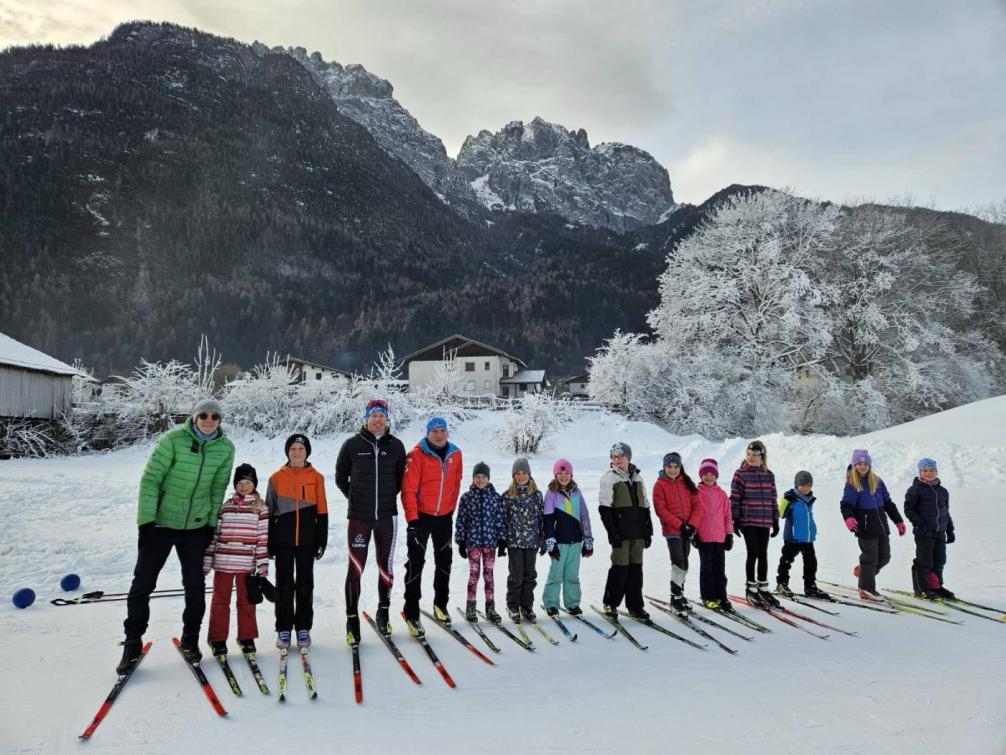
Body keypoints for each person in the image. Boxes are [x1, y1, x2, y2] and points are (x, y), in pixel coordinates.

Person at [118, 398, 235, 673]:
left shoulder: (225, 448)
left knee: (194, 586)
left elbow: (219, 487)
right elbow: (151, 480)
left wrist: (210, 524)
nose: (209, 421)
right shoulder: (173, 440)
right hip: (160, 525)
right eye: (203, 415)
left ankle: (190, 640)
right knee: (143, 583)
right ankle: (132, 643)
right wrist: (146, 521)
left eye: (215, 417)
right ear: (194, 417)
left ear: (220, 420)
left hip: (195, 528)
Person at [335, 399, 407, 645]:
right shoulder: (352, 445)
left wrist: (384, 497)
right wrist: (355, 497)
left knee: (385, 568)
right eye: (373, 415)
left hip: (387, 517)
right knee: (355, 568)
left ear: (387, 419)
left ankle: (383, 612)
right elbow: (339, 476)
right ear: (366, 419)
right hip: (359, 518)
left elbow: (399, 480)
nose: (377, 420)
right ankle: (352, 619)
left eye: (381, 415)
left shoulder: (396, 446)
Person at [401, 416, 463, 636]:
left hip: (444, 517)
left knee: (444, 562)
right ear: (427, 433)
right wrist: (412, 520)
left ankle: (440, 604)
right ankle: (411, 611)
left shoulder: (455, 454)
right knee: (416, 563)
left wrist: (450, 510)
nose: (438, 434)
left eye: (442, 431)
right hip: (421, 518)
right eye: (434, 431)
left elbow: (456, 484)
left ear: (447, 433)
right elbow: (408, 490)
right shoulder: (416, 455)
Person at [267, 433, 328, 650]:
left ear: (307, 452)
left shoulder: (316, 477)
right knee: (284, 586)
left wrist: (322, 539)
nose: (296, 452)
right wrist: (269, 542)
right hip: (282, 542)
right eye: (292, 449)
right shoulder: (276, 478)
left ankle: (303, 627)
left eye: (301, 449)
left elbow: (322, 511)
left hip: (307, 541)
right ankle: (283, 629)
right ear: (287, 452)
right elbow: (269, 513)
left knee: (304, 586)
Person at [203, 463, 269, 656]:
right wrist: (207, 562)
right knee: (220, 601)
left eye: (247, 482)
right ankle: (217, 639)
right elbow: (214, 536)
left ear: (254, 484)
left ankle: (246, 637)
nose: (243, 486)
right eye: (240, 482)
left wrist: (262, 566)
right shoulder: (226, 507)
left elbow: (262, 539)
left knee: (246, 601)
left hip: (246, 564)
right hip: (223, 563)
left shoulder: (261, 509)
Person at [840, 449, 906, 603]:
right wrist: (848, 518)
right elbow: (846, 504)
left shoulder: (877, 481)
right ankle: (866, 588)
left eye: (865, 464)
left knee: (885, 557)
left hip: (881, 526)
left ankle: (864, 572)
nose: (862, 467)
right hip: (864, 527)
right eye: (859, 464)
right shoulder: (852, 483)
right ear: (854, 465)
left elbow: (888, 503)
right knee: (870, 558)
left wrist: (898, 521)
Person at [598, 442, 653, 620]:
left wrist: (648, 530)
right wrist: (612, 533)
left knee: (636, 570)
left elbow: (645, 505)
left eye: (620, 457)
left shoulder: (638, 478)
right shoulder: (609, 478)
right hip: (621, 534)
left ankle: (635, 606)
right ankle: (610, 603)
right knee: (620, 569)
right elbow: (604, 509)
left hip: (637, 534)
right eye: (613, 457)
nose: (617, 460)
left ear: (628, 457)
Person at [454, 461, 506, 623]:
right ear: (473, 478)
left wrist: (502, 541)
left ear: (488, 479)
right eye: (477, 476)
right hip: (473, 543)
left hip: (490, 544)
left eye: (483, 477)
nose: (480, 480)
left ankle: (490, 607)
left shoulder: (495, 498)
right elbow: (461, 521)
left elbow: (500, 520)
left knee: (489, 575)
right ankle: (471, 606)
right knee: (474, 575)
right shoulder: (467, 498)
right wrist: (461, 541)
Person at [730, 440, 780, 608]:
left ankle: (763, 588)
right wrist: (735, 520)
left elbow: (773, 498)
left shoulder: (769, 475)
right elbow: (735, 498)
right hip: (748, 520)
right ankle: (750, 588)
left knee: (763, 554)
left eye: (754, 455)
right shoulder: (740, 474)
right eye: (748, 454)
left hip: (764, 521)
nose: (750, 458)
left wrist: (775, 519)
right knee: (753, 553)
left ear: (762, 456)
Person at [541, 458, 593, 617]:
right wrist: (550, 541)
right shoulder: (551, 493)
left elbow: (584, 516)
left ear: (571, 474)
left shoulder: (577, 492)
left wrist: (588, 539)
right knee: (556, 574)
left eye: (567, 473)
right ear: (555, 475)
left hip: (576, 540)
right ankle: (551, 603)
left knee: (572, 574)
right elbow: (548, 519)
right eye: (560, 473)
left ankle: (572, 603)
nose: (563, 476)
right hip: (559, 541)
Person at [652, 452, 701, 613]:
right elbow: (661, 509)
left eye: (675, 467)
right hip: (673, 530)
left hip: (688, 531)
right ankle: (675, 598)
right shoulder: (660, 484)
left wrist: (692, 525)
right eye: (669, 467)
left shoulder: (687, 483)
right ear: (664, 467)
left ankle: (680, 592)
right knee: (678, 561)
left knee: (685, 562)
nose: (672, 470)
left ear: (680, 467)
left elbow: (698, 506)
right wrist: (680, 525)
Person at [904, 457, 956, 599]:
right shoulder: (915, 490)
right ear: (920, 472)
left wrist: (950, 530)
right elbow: (909, 510)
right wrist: (920, 524)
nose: (928, 473)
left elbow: (946, 511)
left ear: (936, 471)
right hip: (923, 532)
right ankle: (921, 588)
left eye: (931, 470)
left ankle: (936, 586)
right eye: (925, 470)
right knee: (924, 561)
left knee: (939, 560)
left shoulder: (943, 491)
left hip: (939, 531)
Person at [501, 458, 545, 622]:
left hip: (532, 542)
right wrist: (502, 541)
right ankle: (513, 605)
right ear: (513, 476)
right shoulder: (507, 496)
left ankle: (527, 605)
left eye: (523, 473)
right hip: (514, 543)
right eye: (517, 473)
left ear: (529, 474)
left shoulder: (537, 495)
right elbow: (503, 520)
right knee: (516, 575)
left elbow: (541, 518)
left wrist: (542, 539)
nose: (520, 476)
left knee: (530, 575)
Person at [776, 471, 830, 600]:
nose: (805, 488)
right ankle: (782, 584)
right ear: (796, 484)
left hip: (807, 537)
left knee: (811, 562)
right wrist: (785, 500)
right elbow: (781, 514)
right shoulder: (791, 497)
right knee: (787, 560)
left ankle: (810, 586)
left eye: (808, 485)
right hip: (793, 537)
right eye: (802, 485)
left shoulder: (809, 499)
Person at [693, 458, 734, 611]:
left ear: (716, 475)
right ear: (701, 476)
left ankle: (721, 596)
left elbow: (727, 516)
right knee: (707, 569)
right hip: (704, 538)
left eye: (711, 474)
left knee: (720, 569)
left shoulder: (722, 495)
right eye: (705, 474)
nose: (708, 477)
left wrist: (729, 534)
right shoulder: (696, 493)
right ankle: (708, 596)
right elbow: (694, 514)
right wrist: (694, 534)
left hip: (719, 538)